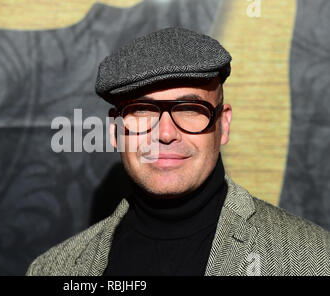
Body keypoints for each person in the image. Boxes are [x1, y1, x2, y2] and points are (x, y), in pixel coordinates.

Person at [26, 27, 330, 276]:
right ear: (115, 131)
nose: (167, 133)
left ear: (223, 126)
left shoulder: (314, 260)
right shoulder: (53, 270)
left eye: (189, 109)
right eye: (142, 110)